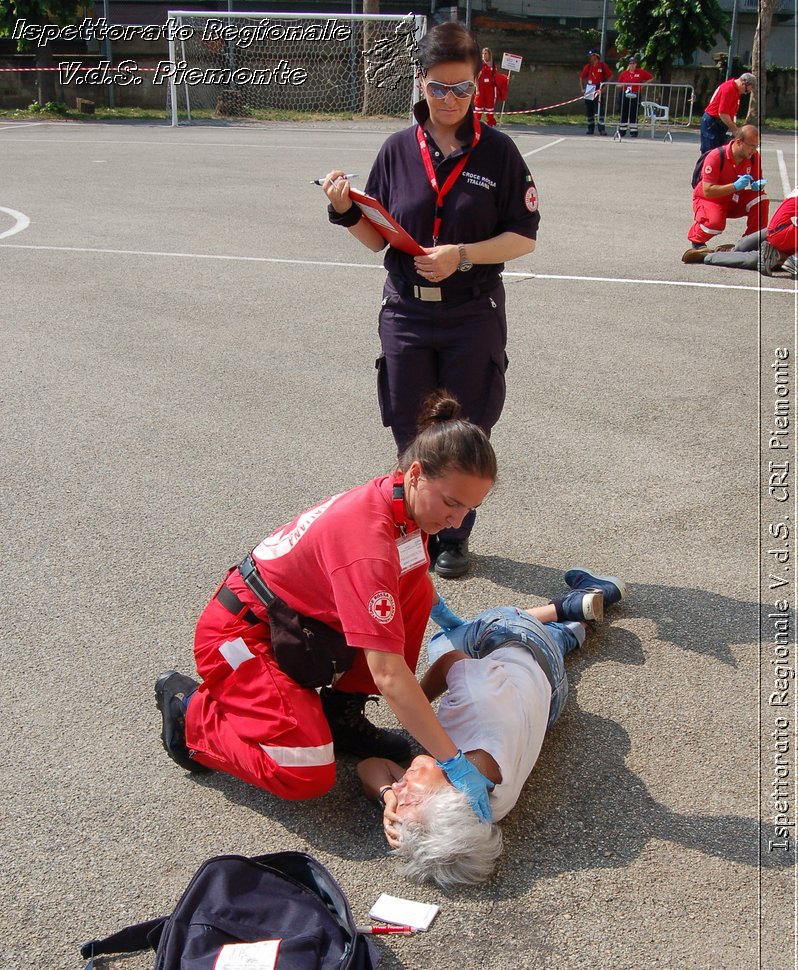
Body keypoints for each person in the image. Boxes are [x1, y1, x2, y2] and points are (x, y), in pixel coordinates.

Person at [155, 393, 509, 816]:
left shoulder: (401, 505)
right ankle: (191, 713)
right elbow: (391, 675)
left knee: (412, 587)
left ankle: (341, 714)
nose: (456, 522)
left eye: (470, 509)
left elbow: (405, 576)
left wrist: (442, 613)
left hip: (293, 621)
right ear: (415, 473)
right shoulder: (369, 540)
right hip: (238, 636)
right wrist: (454, 762)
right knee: (307, 772)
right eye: (451, 503)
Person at [322, 21, 539, 580]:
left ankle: (452, 538)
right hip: (407, 311)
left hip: (472, 311)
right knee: (407, 422)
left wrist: (460, 254)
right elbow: (380, 236)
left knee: (466, 427)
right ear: (420, 82)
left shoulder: (499, 153)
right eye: (439, 87)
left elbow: (523, 236)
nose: (450, 99)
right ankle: (408, 528)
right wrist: (347, 208)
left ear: (477, 86)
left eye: (462, 88)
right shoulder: (397, 149)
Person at [357, 568, 628, 886]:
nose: (402, 787)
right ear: (453, 800)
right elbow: (448, 663)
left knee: (544, 649)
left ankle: (573, 627)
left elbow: (369, 767)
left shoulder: (478, 809)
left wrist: (388, 797)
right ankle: (563, 609)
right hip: (519, 639)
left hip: (547, 700)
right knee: (443, 643)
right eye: (409, 798)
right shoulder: (474, 707)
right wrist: (414, 706)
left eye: (401, 798)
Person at [684, 125, 768, 254]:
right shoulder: (716, 156)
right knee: (715, 224)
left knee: (761, 198)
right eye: (751, 146)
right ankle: (697, 240)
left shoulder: (754, 157)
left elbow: (755, 181)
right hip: (710, 199)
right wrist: (734, 186)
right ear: (739, 142)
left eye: (756, 146)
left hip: (733, 199)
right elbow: (708, 190)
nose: (754, 150)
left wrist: (758, 185)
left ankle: (751, 241)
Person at [682, 188, 798, 275]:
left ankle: (731, 251)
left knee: (770, 236)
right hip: (783, 232)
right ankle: (708, 256)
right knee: (765, 258)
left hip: (778, 228)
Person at [699, 72, 756, 153]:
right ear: (743, 83)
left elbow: (730, 113)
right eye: (746, 91)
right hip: (712, 123)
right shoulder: (729, 89)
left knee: (720, 153)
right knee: (710, 153)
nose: (744, 93)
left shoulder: (736, 91)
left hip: (719, 123)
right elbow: (722, 113)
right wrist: (735, 130)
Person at [616, 55, 653, 138]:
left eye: (633, 63)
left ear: (636, 64)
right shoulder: (624, 73)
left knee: (634, 112)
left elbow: (650, 78)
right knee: (624, 112)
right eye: (630, 63)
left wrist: (642, 85)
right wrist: (623, 85)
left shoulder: (640, 72)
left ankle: (633, 131)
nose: (632, 65)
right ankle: (622, 131)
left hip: (636, 93)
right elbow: (617, 85)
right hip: (625, 93)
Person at [579, 49, 613, 136]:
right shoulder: (588, 66)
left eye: (591, 56)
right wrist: (582, 89)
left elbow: (610, 76)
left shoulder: (602, 65)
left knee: (600, 109)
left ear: (595, 56)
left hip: (599, 87)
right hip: (590, 88)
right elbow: (581, 77)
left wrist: (605, 87)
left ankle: (601, 129)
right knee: (589, 109)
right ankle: (590, 128)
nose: (589, 58)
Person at [475, 47, 507, 127]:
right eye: (483, 53)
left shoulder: (492, 65)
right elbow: (475, 77)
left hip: (490, 89)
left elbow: (496, 76)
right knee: (479, 106)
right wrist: (477, 89)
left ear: (489, 55)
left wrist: (505, 78)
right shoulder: (479, 65)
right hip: (481, 88)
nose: (484, 55)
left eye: (486, 53)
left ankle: (490, 123)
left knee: (490, 106)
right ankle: (475, 122)